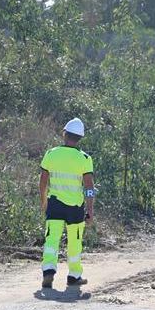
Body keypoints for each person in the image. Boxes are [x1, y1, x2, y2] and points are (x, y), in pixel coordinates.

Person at [39, 118, 96, 290]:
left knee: (51, 239)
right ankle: (74, 276)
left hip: (54, 204)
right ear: (80, 138)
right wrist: (90, 210)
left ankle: (48, 271)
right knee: (75, 242)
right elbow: (89, 187)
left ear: (64, 134)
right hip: (75, 208)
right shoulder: (84, 158)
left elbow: (42, 182)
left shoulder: (51, 154)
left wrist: (44, 202)